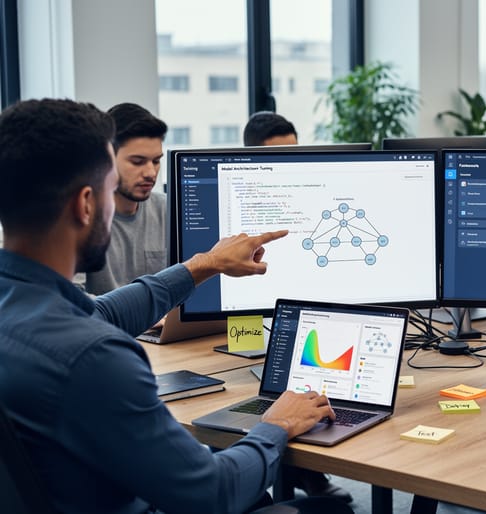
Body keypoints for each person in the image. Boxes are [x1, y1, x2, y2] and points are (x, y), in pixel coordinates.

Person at [0, 98, 352, 514]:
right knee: (330, 510)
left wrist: (205, 264)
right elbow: (211, 494)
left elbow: (104, 312)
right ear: (86, 204)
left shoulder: (23, 299)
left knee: (256, 490)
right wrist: (277, 423)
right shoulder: (95, 357)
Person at [243, 110, 353, 503]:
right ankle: (291, 474)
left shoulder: (313, 200)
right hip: (249, 325)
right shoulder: (247, 204)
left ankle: (302, 473)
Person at [82, 102, 168, 295]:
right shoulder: (81, 217)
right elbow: (73, 300)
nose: (150, 173)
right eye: (137, 162)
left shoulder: (168, 210)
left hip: (164, 325)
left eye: (156, 161)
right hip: (105, 324)